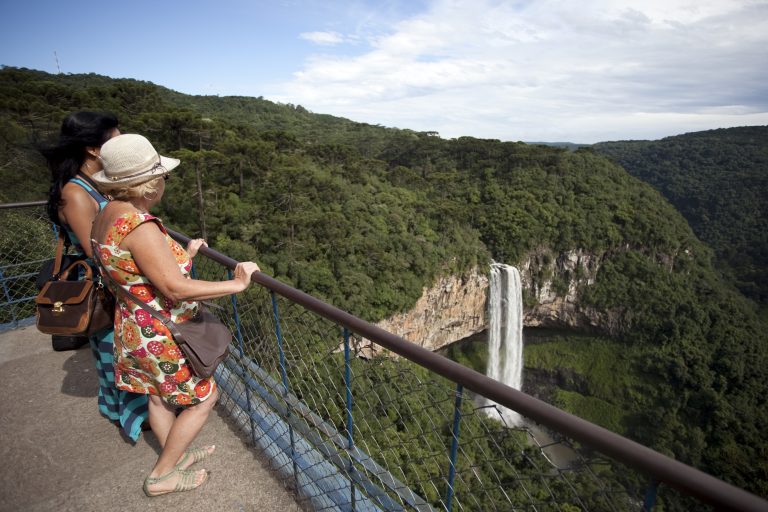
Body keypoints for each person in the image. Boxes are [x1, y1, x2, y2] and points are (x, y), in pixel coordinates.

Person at [90, 133, 261, 496]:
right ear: (149, 185)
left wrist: (185, 254)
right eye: (163, 177)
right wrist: (235, 284)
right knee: (205, 397)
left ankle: (174, 453)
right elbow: (173, 288)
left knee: (158, 395)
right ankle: (161, 476)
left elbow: (136, 271)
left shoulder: (106, 213)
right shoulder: (139, 225)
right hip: (160, 331)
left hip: (133, 324)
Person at [42, 111, 149, 442]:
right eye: (115, 136)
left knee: (120, 349)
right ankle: (129, 415)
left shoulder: (93, 184)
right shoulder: (75, 193)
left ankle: (130, 410)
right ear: (92, 148)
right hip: (102, 285)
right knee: (113, 351)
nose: (120, 140)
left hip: (113, 281)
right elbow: (95, 248)